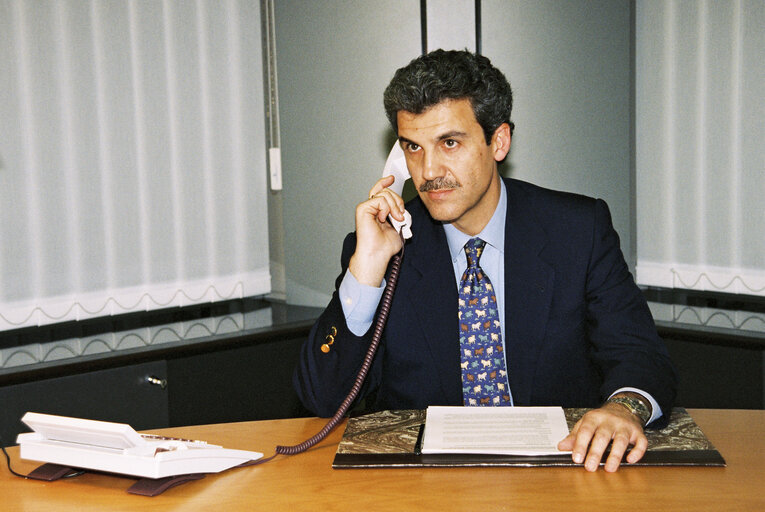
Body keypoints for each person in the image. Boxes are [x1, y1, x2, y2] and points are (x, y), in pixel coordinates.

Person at [293, 49, 677, 472]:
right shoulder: (382, 247)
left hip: (561, 474)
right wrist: (366, 270)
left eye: (450, 143)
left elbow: (639, 353)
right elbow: (322, 400)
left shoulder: (578, 230)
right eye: (413, 148)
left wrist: (625, 408)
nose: (428, 171)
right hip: (426, 490)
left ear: (499, 141)